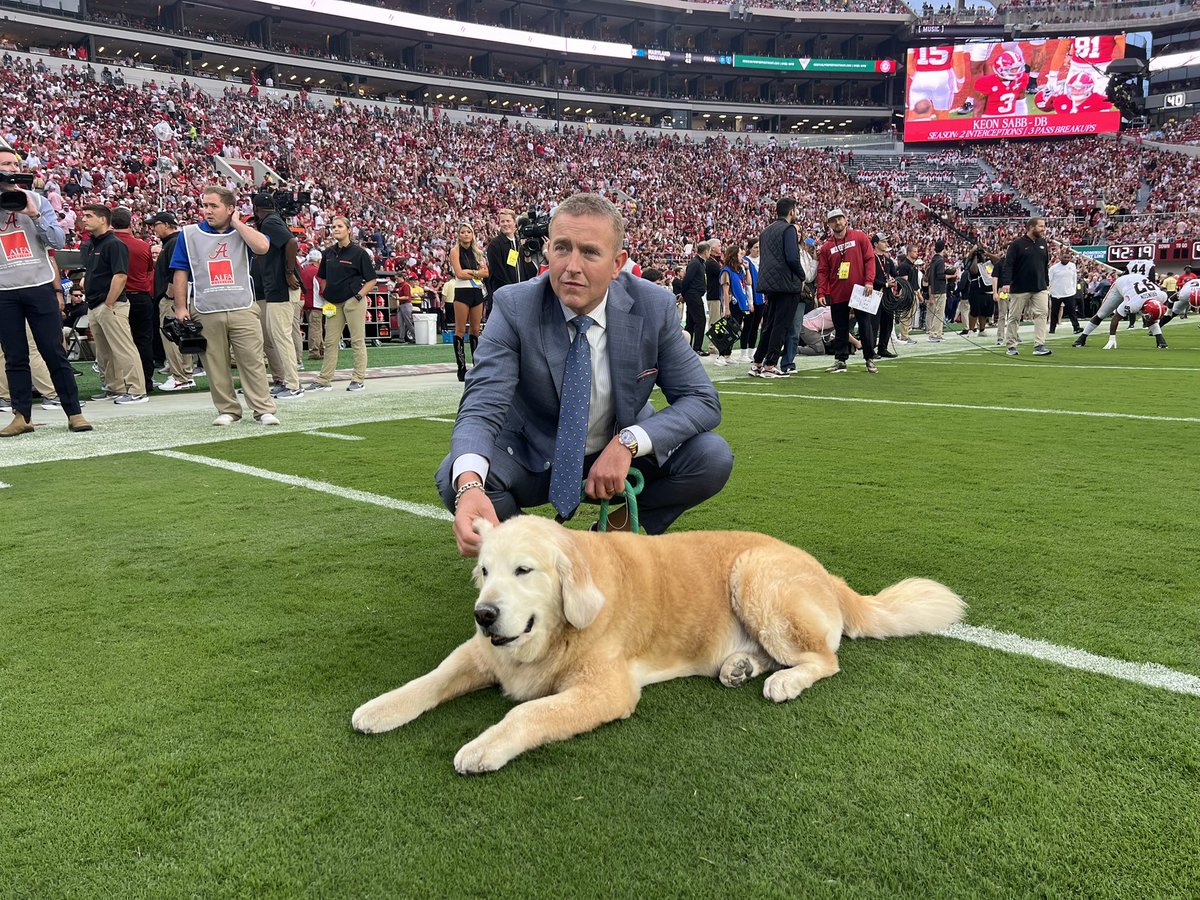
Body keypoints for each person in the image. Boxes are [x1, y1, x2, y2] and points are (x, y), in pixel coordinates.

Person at [436, 192, 733, 557]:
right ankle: (535, 556)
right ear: (547, 251)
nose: (571, 265)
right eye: (562, 248)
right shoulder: (515, 305)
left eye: (590, 252)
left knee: (711, 456)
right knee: (457, 477)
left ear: (617, 263)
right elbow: (481, 405)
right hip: (535, 456)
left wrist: (629, 441)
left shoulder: (653, 306)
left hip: (616, 452)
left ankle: (609, 541)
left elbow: (702, 399)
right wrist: (469, 487)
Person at [169, 185, 280, 426]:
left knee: (252, 361)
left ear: (230, 209)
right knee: (215, 364)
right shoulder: (188, 234)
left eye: (213, 206)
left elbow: (262, 247)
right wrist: (180, 307)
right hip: (206, 307)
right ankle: (228, 409)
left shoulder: (243, 232)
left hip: (242, 305)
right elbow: (180, 272)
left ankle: (263, 409)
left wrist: (238, 224)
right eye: (205, 205)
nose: (207, 210)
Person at [0, 144, 89, 436]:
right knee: (15, 356)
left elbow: (58, 241)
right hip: (4, 290)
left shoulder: (37, 199)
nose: (12, 169)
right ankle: (21, 416)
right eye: (6, 164)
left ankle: (74, 412)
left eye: (15, 164)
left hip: (38, 286)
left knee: (54, 351)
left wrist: (35, 214)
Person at [81, 204, 147, 404]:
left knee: (123, 348)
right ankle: (114, 388)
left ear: (103, 219)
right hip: (95, 304)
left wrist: (109, 303)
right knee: (104, 352)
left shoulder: (114, 243)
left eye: (88, 216)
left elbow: (120, 276)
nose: (84, 219)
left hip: (111, 304)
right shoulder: (93, 244)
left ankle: (137, 390)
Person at [309, 216, 376, 392]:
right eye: (333, 226)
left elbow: (371, 280)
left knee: (357, 340)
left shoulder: (359, 253)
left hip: (352, 301)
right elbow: (321, 276)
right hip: (333, 303)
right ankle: (324, 379)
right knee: (330, 342)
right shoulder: (328, 253)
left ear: (348, 230)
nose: (335, 229)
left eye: (339, 226)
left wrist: (358, 297)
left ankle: (358, 378)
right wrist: (326, 294)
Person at [250, 194, 303, 400]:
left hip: (282, 287)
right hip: (275, 287)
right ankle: (287, 382)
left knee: (281, 336)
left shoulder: (270, 221)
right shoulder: (271, 221)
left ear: (256, 209)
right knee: (276, 336)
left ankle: (293, 384)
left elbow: (291, 242)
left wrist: (289, 272)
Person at [751, 198, 808, 378]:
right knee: (781, 326)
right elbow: (792, 257)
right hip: (786, 284)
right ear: (792, 211)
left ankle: (758, 362)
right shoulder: (789, 229)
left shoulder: (766, 231)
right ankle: (770, 364)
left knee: (769, 324)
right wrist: (802, 275)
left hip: (770, 283)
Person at [816, 208, 877, 375]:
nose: (838, 222)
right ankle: (841, 360)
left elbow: (870, 259)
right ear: (829, 224)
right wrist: (821, 292)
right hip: (838, 291)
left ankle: (869, 358)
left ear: (845, 219)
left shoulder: (859, 237)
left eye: (840, 219)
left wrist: (869, 281)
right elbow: (822, 271)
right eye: (833, 220)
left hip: (859, 290)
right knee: (841, 327)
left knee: (865, 325)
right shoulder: (826, 247)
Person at [110, 207, 157, 393]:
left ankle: (123, 383)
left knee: (120, 343)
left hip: (119, 297)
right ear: (130, 222)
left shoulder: (109, 244)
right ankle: (146, 380)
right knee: (143, 341)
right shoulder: (143, 245)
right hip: (141, 297)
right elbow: (148, 269)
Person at [147, 211, 196, 391]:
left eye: (156, 224)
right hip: (176, 298)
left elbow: (179, 271)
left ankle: (180, 377)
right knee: (178, 335)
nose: (154, 228)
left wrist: (171, 292)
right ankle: (185, 375)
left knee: (171, 335)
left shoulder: (174, 242)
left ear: (167, 224)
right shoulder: (173, 242)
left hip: (172, 299)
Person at [1072, 273, 1169, 350]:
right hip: (1121, 284)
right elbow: (1116, 318)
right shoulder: (1133, 304)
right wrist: (1112, 338)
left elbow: (1152, 316)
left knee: (1151, 317)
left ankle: (1160, 340)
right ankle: (1082, 338)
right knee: (1102, 314)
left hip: (1136, 284)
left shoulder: (1162, 296)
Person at [1000, 216, 1052, 357]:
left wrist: (1046, 282)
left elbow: (1044, 264)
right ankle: (1011, 345)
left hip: (1039, 286)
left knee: (1042, 315)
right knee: (1014, 317)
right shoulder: (1017, 244)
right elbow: (1008, 265)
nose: (1043, 229)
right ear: (1031, 227)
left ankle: (1039, 345)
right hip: (1020, 287)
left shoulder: (1043, 243)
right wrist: (1006, 283)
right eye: (1041, 226)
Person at [449, 222, 489, 381]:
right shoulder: (455, 251)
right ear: (459, 235)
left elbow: (486, 273)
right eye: (463, 232)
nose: (466, 234)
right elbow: (459, 274)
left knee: (475, 330)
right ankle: (461, 367)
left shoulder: (478, 252)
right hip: (462, 291)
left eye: (468, 232)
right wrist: (476, 273)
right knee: (460, 330)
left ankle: (477, 365)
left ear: (472, 234)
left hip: (477, 291)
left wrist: (471, 272)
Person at [713, 243, 747, 367]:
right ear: (733, 255)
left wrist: (746, 268)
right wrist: (727, 308)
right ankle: (721, 355)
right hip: (731, 304)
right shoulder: (726, 271)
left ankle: (728, 354)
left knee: (734, 330)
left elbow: (747, 282)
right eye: (739, 253)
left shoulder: (738, 271)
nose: (741, 255)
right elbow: (725, 292)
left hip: (738, 304)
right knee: (728, 330)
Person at [484, 208, 521, 314]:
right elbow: (498, 273)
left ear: (515, 223)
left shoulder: (518, 243)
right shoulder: (495, 244)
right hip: (504, 295)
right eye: (502, 221)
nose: (505, 224)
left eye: (508, 221)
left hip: (518, 294)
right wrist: (512, 290)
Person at [679, 241, 710, 356]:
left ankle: (687, 348)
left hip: (694, 294)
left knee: (691, 322)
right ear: (706, 251)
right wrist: (684, 294)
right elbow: (687, 280)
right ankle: (697, 348)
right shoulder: (696, 263)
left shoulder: (700, 263)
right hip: (693, 294)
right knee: (700, 320)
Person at [737, 237, 765, 363]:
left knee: (756, 326)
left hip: (761, 298)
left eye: (759, 247)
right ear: (750, 248)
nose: (758, 250)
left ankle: (751, 352)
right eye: (755, 247)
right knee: (747, 325)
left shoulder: (763, 260)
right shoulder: (745, 261)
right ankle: (743, 352)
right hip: (750, 298)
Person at [1048, 248, 1082, 335]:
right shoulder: (1053, 268)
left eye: (1068, 257)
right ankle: (1052, 329)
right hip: (1056, 293)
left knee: (1072, 311)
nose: (1066, 259)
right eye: (1064, 257)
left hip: (1069, 293)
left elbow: (1074, 278)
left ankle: (1076, 327)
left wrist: (1073, 290)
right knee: (1054, 312)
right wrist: (1050, 291)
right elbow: (1049, 280)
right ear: (1060, 257)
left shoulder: (1072, 266)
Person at [926, 239, 948, 342]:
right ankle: (934, 334)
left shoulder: (934, 260)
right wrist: (951, 275)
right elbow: (940, 275)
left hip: (935, 289)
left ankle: (937, 333)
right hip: (940, 289)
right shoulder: (940, 260)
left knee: (938, 312)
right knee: (939, 312)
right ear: (943, 248)